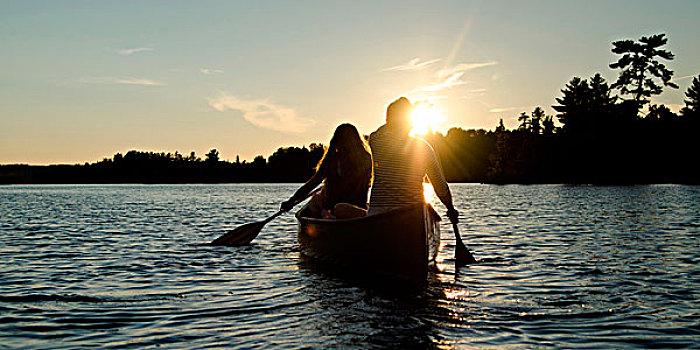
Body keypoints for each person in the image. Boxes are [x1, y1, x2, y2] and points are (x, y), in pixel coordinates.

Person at [368, 97, 459, 223]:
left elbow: (381, 130)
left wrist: (392, 120)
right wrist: (450, 208)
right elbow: (439, 185)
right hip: (412, 214)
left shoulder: (376, 141)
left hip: (378, 213)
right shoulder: (423, 147)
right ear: (411, 122)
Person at [281, 123, 372, 219]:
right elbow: (313, 183)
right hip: (347, 209)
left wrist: (291, 201)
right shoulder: (366, 158)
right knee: (320, 199)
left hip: (338, 210)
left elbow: (313, 183)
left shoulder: (334, 159)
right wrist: (292, 201)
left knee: (325, 203)